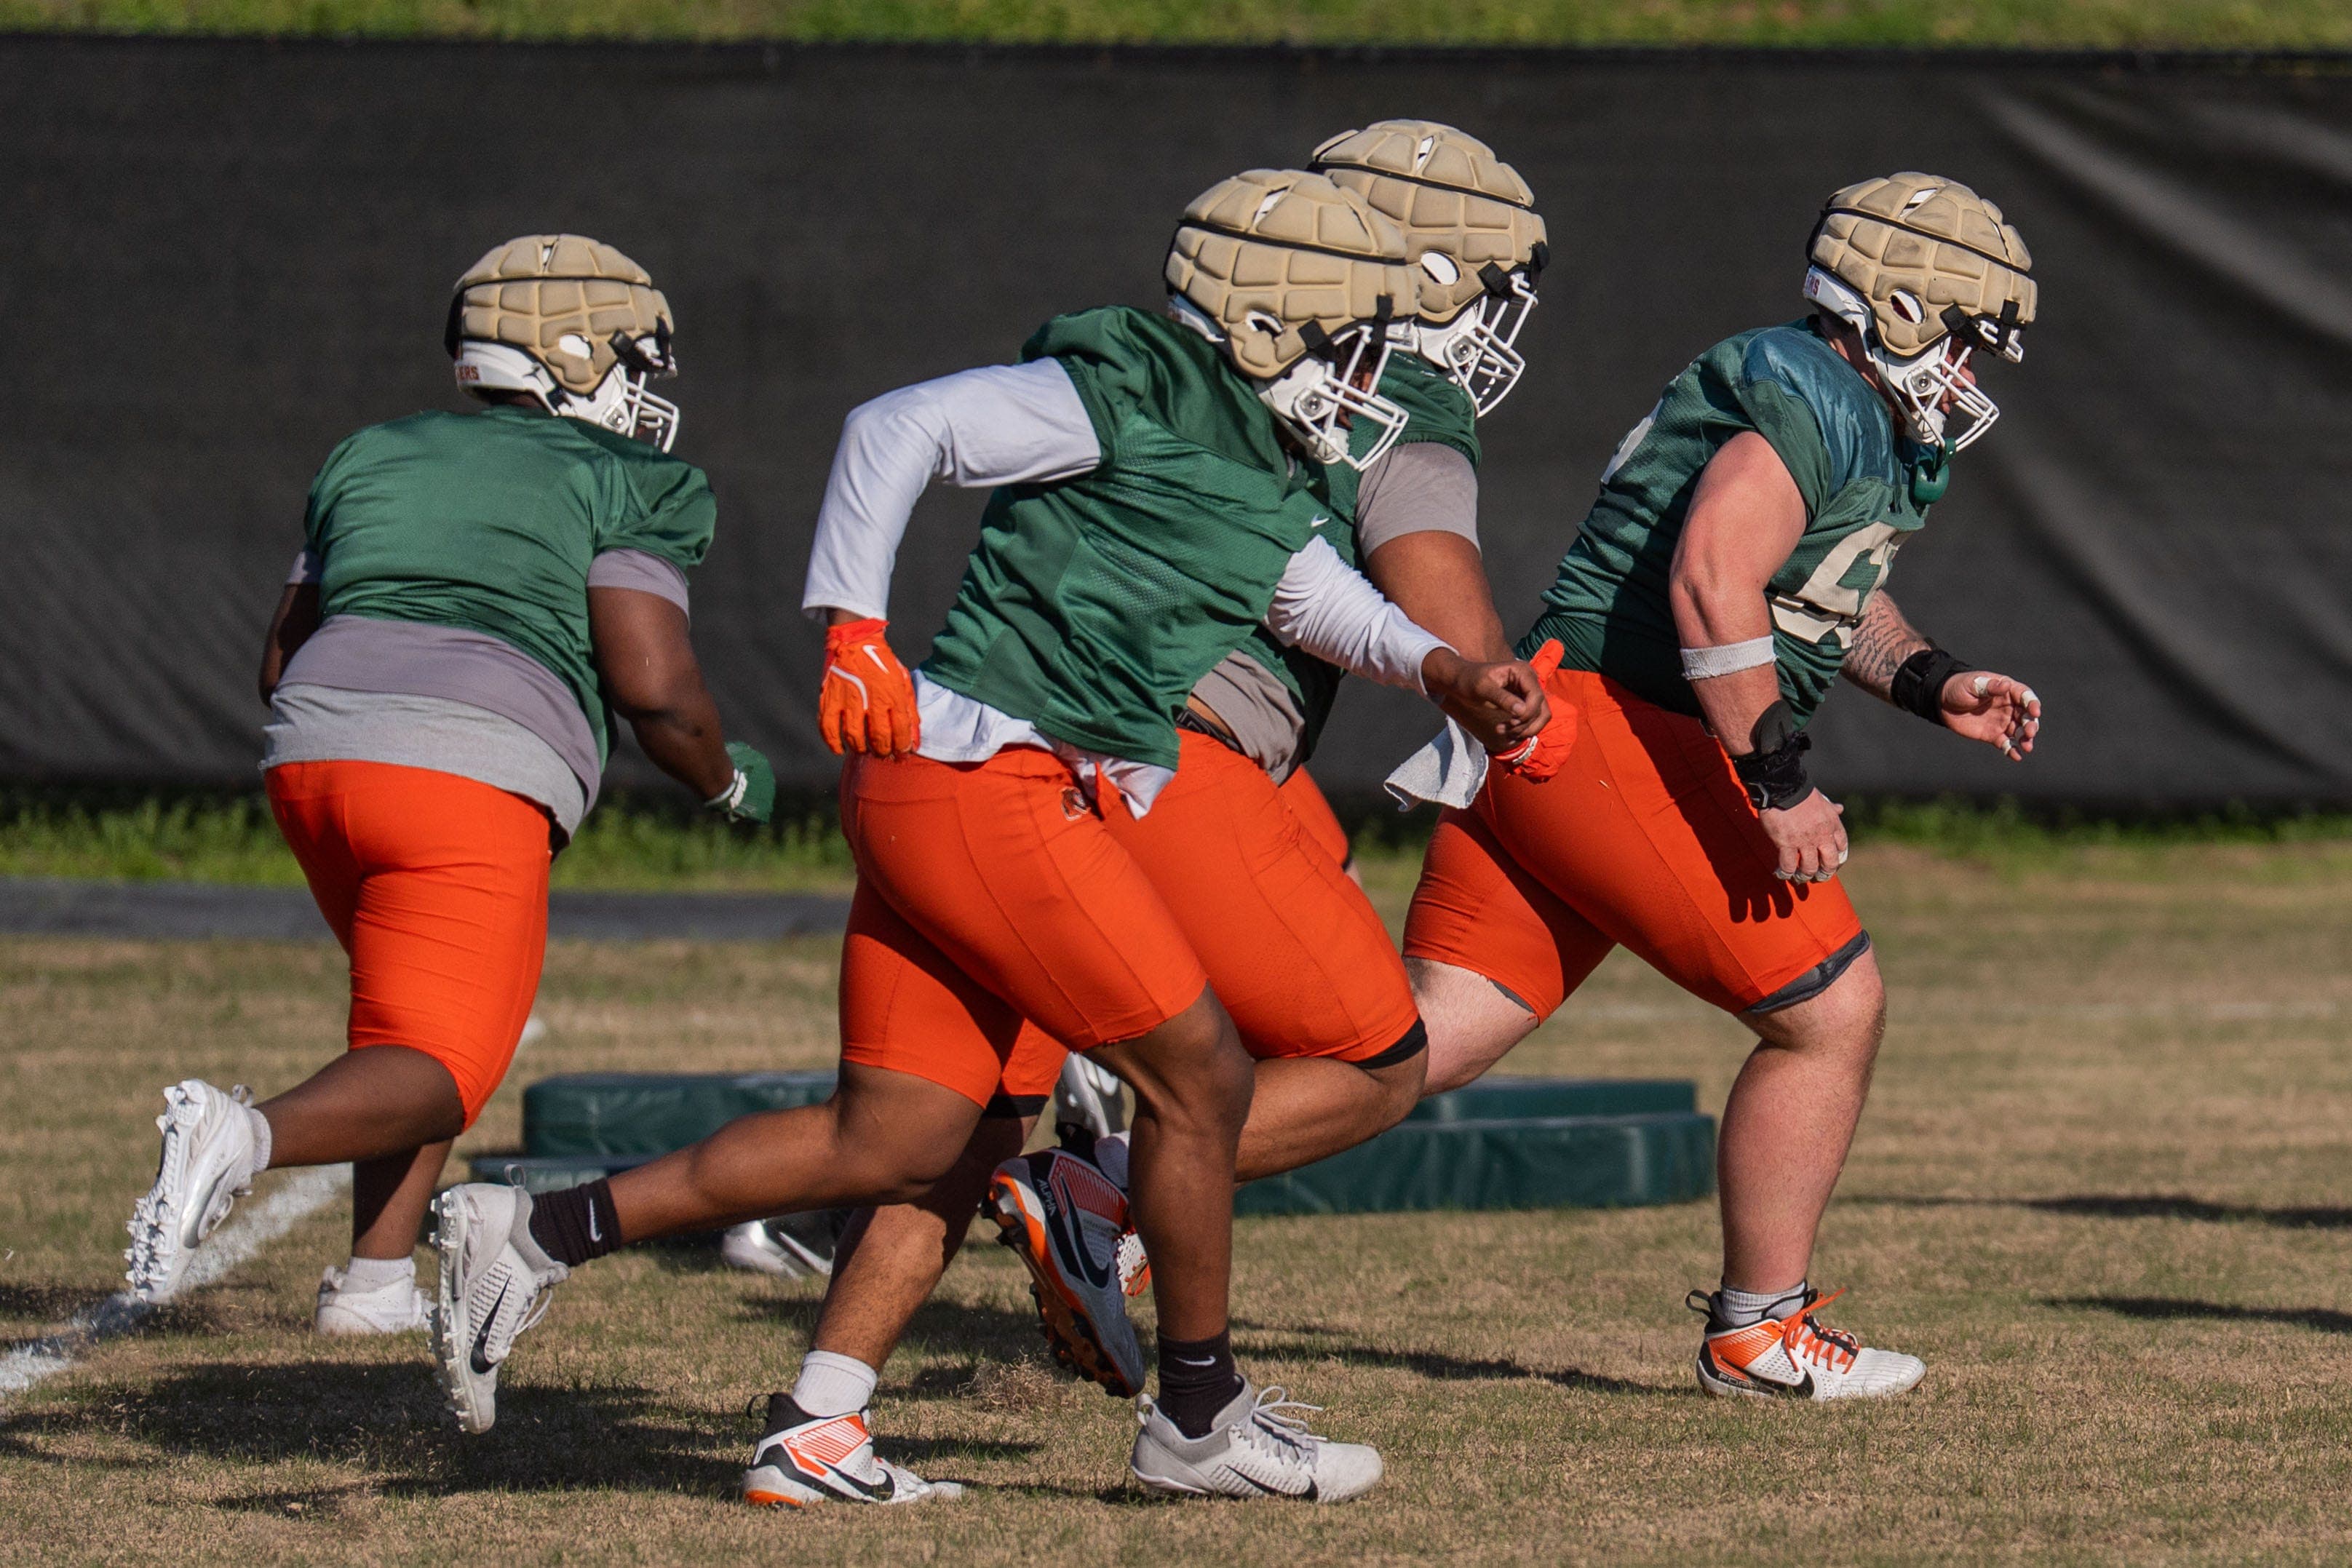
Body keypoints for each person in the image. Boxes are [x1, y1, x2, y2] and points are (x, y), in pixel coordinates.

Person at [429, 170, 1548, 1505]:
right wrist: (853, 624)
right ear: (1264, 328)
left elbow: (1313, 597)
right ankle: (1198, 1419)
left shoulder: (1259, 452)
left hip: (959, 792)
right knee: (1201, 1081)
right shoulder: (1125, 384)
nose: (1374, 375)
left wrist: (1442, 671)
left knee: (903, 1137)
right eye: (1356, 340)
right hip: (993, 781)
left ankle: (596, 1273)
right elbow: (898, 427)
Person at [795, 121, 1562, 1422]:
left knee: (972, 1121)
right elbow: (1433, 583)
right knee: (1360, 1058)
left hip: (1044, 735)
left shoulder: (1196, 363)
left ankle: (819, 1414)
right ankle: (1113, 1230)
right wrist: (1502, 700)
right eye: (1487, 282)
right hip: (1171, 753)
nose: (1496, 322)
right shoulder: (1403, 396)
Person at [1396, 172, 2043, 1400]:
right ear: (1898, 309)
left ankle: (1112, 1189)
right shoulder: (1805, 392)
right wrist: (1778, 782)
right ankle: (1761, 1329)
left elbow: (1823, 588)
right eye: (1961, 337)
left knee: (1414, 1042)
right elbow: (1712, 583)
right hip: (1618, 729)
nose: (1969, 373)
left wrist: (1931, 681)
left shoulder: (1846, 407)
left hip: (1571, 723)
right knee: (1830, 1013)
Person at [122, 235, 774, 1335]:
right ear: (572, 353)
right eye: (632, 358)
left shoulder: (372, 453)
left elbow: (282, 659)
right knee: (441, 1062)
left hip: (313, 760)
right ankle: (243, 1135)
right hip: (463, 775)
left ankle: (373, 1283)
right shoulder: (627, 478)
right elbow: (653, 685)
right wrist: (724, 784)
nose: (647, 386)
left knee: (411, 1027)